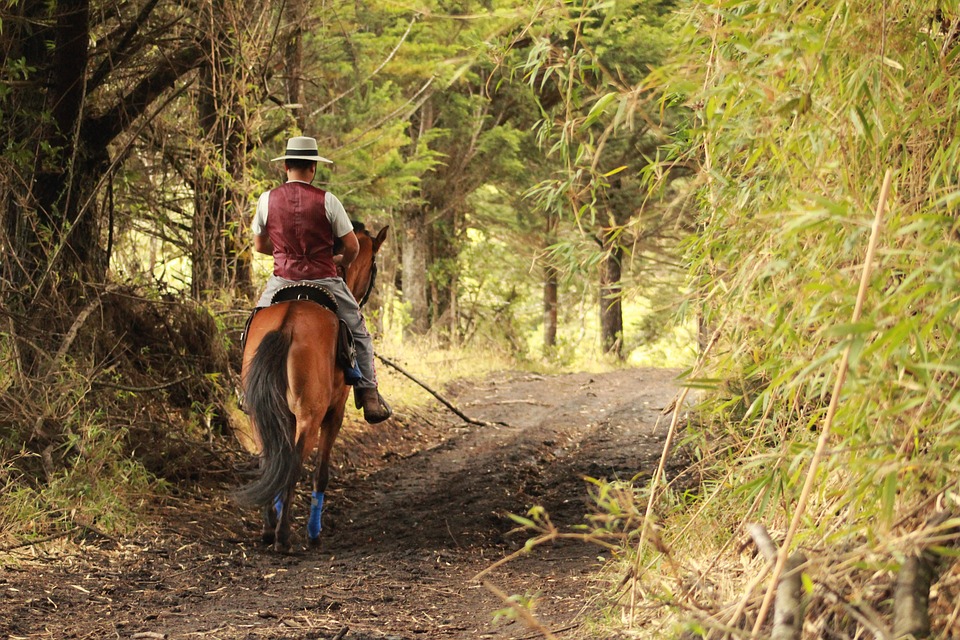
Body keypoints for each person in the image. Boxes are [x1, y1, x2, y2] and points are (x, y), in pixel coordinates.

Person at [251, 135, 391, 424]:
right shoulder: (328, 201)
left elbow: (259, 246)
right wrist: (340, 261)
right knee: (359, 330)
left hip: (281, 281)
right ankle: (369, 394)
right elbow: (352, 247)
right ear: (313, 168)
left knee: (253, 324)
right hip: (324, 280)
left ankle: (246, 390)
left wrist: (284, 255)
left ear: (286, 166)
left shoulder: (267, 199)